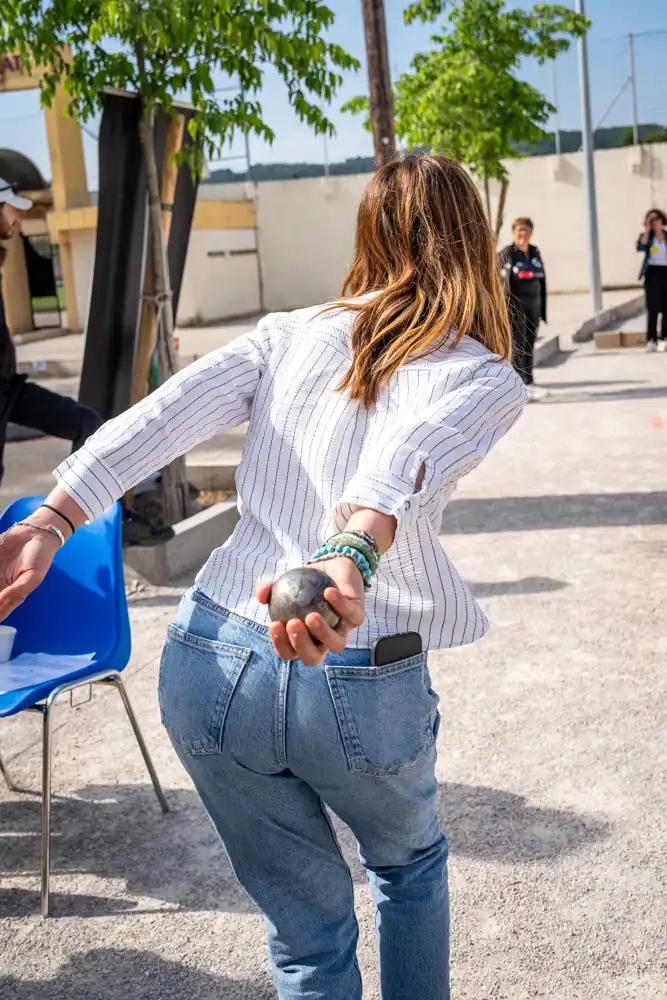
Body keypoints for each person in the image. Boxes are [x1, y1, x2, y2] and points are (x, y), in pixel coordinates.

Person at [0, 155, 526, 999]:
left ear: (367, 232)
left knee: (305, 937)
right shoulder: (483, 375)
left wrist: (51, 520)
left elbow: (159, 417)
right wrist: (351, 550)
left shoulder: (285, 333)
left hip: (209, 658)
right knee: (408, 868)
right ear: (474, 239)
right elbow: (410, 456)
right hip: (356, 664)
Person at [0, 178, 172, 546]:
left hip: (9, 388)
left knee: (86, 423)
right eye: (11, 209)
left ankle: (97, 520)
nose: (17, 218)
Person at [500, 217, 547, 400]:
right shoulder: (508, 253)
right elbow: (498, 279)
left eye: (526, 230)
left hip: (533, 304)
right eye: (519, 230)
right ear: (514, 232)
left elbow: (542, 281)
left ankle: (529, 378)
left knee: (530, 341)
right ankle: (519, 381)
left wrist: (543, 308)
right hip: (515, 305)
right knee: (518, 343)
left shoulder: (535, 252)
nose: (523, 234)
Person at [636, 208, 667, 352]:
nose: (655, 222)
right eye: (651, 220)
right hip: (652, 273)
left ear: (662, 220)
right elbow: (641, 247)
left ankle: (664, 338)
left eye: (656, 219)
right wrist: (647, 230)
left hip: (666, 272)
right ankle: (651, 339)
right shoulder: (647, 237)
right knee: (652, 308)